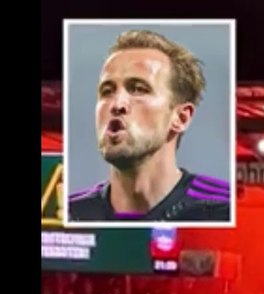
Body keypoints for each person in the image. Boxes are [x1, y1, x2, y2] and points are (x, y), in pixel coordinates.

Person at [68, 29, 230, 223]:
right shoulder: (71, 214)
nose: (117, 104)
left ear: (181, 118)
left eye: (138, 89)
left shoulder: (221, 208)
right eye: (107, 91)